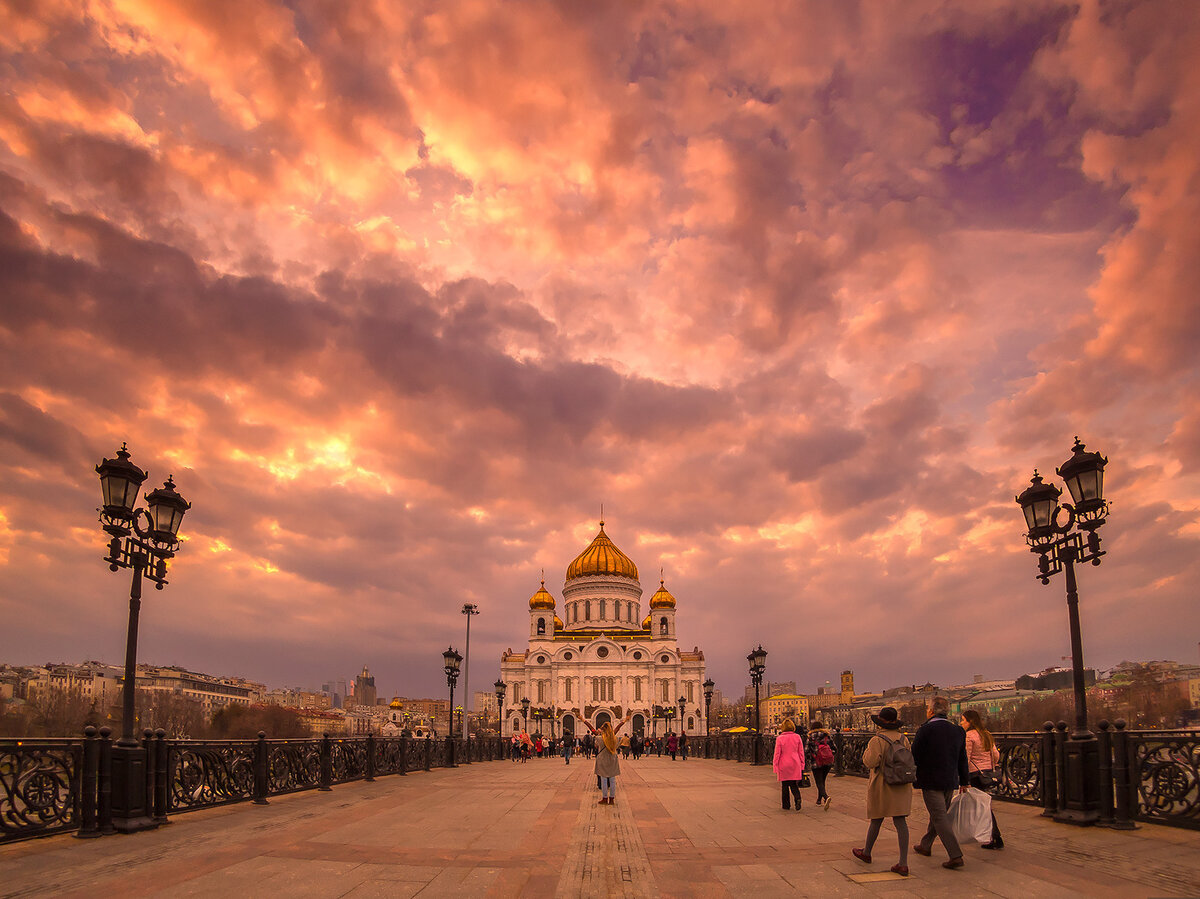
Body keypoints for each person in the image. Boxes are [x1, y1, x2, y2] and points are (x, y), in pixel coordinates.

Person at [852, 707, 913, 876]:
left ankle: (867, 852)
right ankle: (903, 862)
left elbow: (871, 762)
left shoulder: (877, 740)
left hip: (882, 784)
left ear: (881, 722)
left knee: (876, 819)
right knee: (901, 822)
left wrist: (866, 754)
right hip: (901, 783)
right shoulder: (903, 738)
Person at [911, 697, 969, 870]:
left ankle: (955, 855)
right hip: (950, 780)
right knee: (939, 814)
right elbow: (962, 758)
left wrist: (911, 776)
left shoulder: (925, 730)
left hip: (930, 780)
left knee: (939, 816)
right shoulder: (958, 731)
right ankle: (925, 845)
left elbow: (915, 755)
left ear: (930, 711)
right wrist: (964, 780)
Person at [962, 709, 1004, 850]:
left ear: (970, 721)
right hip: (987, 774)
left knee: (982, 808)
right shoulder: (986, 734)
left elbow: (965, 758)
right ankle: (992, 836)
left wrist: (962, 777)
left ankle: (994, 836)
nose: (961, 723)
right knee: (985, 806)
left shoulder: (969, 736)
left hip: (975, 775)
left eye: (963, 720)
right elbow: (996, 755)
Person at [584, 714, 633, 804]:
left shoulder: (600, 738)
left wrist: (583, 720)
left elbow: (592, 730)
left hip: (602, 760)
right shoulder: (613, 737)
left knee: (603, 779)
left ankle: (605, 798)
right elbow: (617, 728)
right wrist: (625, 720)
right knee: (612, 779)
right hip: (612, 759)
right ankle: (612, 799)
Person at [772, 718, 806, 810]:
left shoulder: (780, 738)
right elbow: (801, 752)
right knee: (794, 783)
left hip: (783, 763)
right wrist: (802, 765)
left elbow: (777, 753)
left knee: (785, 785)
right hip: (795, 762)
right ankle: (797, 798)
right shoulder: (797, 737)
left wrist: (775, 765)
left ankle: (786, 805)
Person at [807, 720, 835, 810]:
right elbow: (834, 748)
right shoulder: (827, 736)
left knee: (819, 782)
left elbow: (806, 750)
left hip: (816, 761)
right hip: (827, 762)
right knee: (822, 780)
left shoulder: (810, 737)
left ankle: (826, 797)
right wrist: (829, 754)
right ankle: (819, 800)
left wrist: (810, 757)